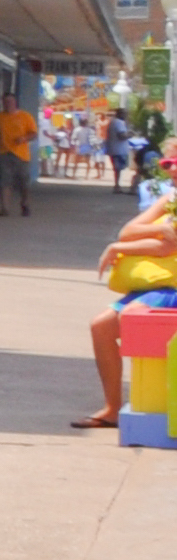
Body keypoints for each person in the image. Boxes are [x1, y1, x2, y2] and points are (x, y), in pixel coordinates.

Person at [72, 183, 177, 429]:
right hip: (152, 285)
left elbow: (167, 247)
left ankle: (152, 400)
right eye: (168, 163)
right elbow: (127, 231)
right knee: (101, 327)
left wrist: (117, 248)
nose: (172, 168)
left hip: (171, 286)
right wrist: (161, 228)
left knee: (131, 318)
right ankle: (112, 409)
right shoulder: (171, 198)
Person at [0, 91, 35, 218]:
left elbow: (33, 134)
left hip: (22, 155)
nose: (8, 104)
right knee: (5, 182)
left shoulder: (25, 116)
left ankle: (25, 203)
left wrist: (24, 138)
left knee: (24, 183)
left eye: (10, 101)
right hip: (4, 153)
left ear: (15, 102)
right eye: (5, 102)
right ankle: (5, 208)